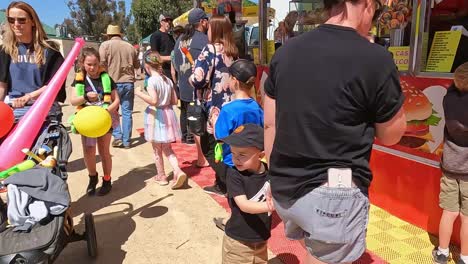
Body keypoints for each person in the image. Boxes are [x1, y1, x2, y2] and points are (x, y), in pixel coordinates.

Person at [263, 0, 407, 263]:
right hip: (333, 193)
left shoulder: (285, 52)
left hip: (286, 186)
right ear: (365, 4)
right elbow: (391, 135)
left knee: (312, 252)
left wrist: (273, 176)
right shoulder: (375, 59)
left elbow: (271, 123)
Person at [190, 15, 238, 197]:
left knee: (209, 146)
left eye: (210, 27)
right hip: (232, 104)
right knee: (227, 145)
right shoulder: (233, 51)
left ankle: (227, 183)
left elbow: (198, 79)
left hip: (214, 107)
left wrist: (191, 77)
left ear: (215, 29)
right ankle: (221, 183)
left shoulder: (210, 49)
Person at [213, 59, 264, 230]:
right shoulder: (257, 106)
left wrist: (214, 122)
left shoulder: (228, 109)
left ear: (234, 80)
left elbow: (220, 136)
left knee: (235, 194)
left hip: (233, 160)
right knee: (251, 191)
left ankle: (235, 222)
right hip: (254, 159)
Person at [0, 1, 66, 122]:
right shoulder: (5, 50)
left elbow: (53, 85)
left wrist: (28, 97)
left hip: (44, 108)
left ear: (33, 22)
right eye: (11, 20)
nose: (16, 24)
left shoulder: (50, 51)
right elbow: (2, 86)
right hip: (13, 109)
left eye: (21, 20)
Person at [219, 124, 272, 264]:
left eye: (242, 154)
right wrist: (272, 206)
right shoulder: (234, 174)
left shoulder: (269, 173)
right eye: (233, 153)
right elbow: (244, 205)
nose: (236, 159)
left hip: (261, 239)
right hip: (238, 242)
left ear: (261, 155)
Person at [70, 47, 120, 196]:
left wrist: (105, 112)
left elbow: (116, 100)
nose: (92, 68)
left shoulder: (107, 78)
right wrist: (85, 97)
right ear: (82, 63)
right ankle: (92, 178)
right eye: (89, 64)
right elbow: (73, 101)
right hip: (87, 122)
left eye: (95, 64)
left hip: (104, 120)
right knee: (89, 151)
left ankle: (107, 179)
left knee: (104, 151)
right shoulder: (79, 79)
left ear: (99, 63)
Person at [432, 62, 468, 264]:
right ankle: (464, 257)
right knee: (467, 217)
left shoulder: (449, 101)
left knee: (449, 212)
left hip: (450, 167)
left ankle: (443, 253)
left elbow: (453, 89)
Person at [135, 52, 187, 189]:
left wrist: (139, 93)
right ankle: (178, 170)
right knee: (168, 148)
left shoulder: (152, 81)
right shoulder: (167, 80)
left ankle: (161, 176)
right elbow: (175, 101)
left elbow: (153, 101)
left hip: (156, 116)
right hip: (168, 113)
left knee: (157, 149)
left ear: (146, 66)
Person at [173, 8, 210, 166]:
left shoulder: (180, 38)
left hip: (184, 85)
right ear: (202, 22)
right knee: (203, 123)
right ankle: (204, 157)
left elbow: (174, 61)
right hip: (199, 88)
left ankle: (200, 157)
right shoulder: (203, 39)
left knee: (193, 121)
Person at [99, 24, 140, 149]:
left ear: (109, 35)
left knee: (113, 111)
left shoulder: (105, 45)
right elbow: (137, 65)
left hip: (112, 83)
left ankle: (117, 137)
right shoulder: (130, 47)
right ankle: (127, 141)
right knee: (127, 112)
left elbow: (101, 64)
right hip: (128, 82)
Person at [151, 14, 175, 79]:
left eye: (170, 21)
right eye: (166, 20)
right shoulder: (155, 36)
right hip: (163, 72)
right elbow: (154, 57)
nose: (169, 22)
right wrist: (171, 58)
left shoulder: (171, 37)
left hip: (173, 71)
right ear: (161, 22)